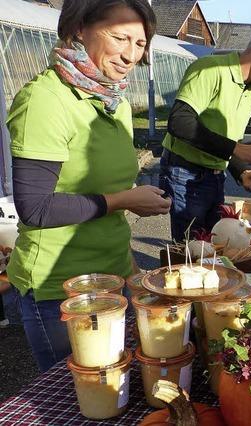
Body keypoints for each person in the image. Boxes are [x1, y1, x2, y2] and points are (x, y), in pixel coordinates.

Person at [6, 0, 170, 372]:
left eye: (140, 44)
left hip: (113, 279)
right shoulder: (46, 100)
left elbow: (106, 209)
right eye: (120, 38)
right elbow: (36, 208)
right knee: (77, 395)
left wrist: (132, 273)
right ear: (80, 28)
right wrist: (124, 199)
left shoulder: (115, 102)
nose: (131, 55)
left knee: (116, 386)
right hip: (60, 291)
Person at [160, 27, 251, 241]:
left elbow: (225, 140)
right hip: (186, 175)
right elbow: (179, 122)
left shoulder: (250, 90)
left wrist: (241, 171)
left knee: (217, 249)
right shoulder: (210, 69)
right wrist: (236, 149)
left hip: (215, 178)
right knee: (192, 255)